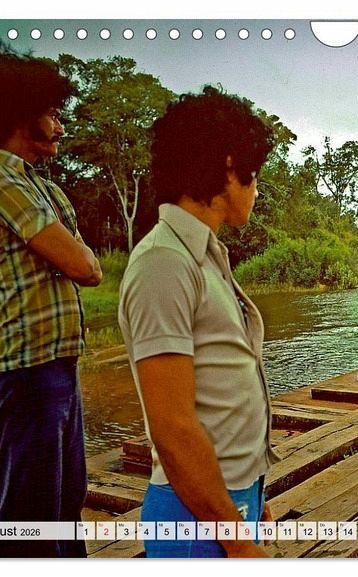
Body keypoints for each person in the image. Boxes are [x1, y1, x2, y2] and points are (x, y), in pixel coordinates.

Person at [118, 87, 278, 558]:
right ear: (229, 168)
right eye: (254, 175)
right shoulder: (164, 264)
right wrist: (237, 540)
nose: (256, 189)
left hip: (226, 503)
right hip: (194, 522)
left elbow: (222, 390)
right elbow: (173, 427)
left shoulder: (204, 256)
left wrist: (255, 498)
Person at [0, 42, 102, 557]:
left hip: (60, 362)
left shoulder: (42, 186)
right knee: (30, 517)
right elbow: (84, 266)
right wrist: (70, 255)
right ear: (20, 115)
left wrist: (70, 254)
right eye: (52, 112)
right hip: (29, 368)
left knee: (67, 502)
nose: (60, 125)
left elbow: (86, 263)